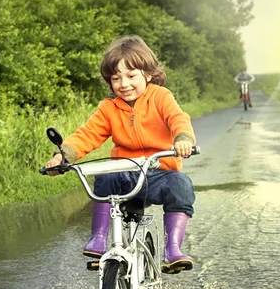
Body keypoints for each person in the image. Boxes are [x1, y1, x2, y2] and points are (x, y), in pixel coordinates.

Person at [44, 35, 197, 274]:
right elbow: (88, 134)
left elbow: (178, 119)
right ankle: (98, 238)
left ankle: (173, 249)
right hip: (124, 173)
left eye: (131, 76)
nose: (123, 84)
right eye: (116, 78)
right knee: (104, 178)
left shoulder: (160, 97)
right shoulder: (109, 108)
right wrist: (63, 156)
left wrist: (183, 139)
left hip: (159, 173)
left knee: (182, 186)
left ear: (147, 74)